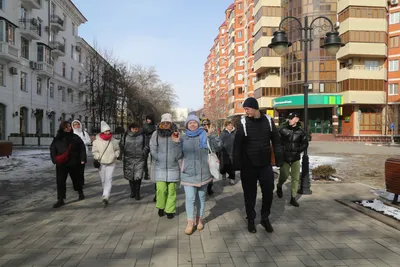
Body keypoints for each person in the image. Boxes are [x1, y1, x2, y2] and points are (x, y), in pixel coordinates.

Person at [232, 97, 283, 234]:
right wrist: (237, 164)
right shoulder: (242, 123)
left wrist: (279, 160)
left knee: (268, 192)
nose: (246, 111)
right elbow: (237, 146)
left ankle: (265, 218)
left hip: (265, 165)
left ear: (255, 108)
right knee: (250, 195)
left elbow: (276, 141)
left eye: (247, 109)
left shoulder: (268, 120)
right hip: (248, 166)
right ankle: (251, 220)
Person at [180, 114, 222, 235]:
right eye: (190, 123)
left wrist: (212, 135)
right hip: (188, 173)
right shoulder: (182, 138)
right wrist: (176, 143)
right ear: (187, 125)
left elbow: (219, 147)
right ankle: (189, 222)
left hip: (203, 172)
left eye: (195, 122)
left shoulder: (205, 136)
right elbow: (177, 156)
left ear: (198, 124)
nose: (192, 124)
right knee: (190, 198)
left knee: (201, 198)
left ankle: (200, 219)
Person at [150, 113, 181, 219]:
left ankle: (170, 210)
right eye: (164, 122)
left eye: (168, 122)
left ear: (171, 123)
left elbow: (180, 152)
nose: (166, 124)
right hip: (160, 166)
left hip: (173, 166)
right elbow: (152, 147)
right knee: (161, 189)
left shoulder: (176, 133)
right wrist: (158, 157)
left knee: (172, 190)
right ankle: (161, 207)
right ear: (161, 123)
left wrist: (177, 143)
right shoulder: (156, 134)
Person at [50, 121, 86, 208]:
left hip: (74, 162)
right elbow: (52, 149)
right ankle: (60, 199)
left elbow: (82, 148)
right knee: (60, 181)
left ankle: (80, 192)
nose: (68, 128)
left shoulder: (75, 137)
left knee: (76, 179)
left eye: (69, 126)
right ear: (62, 128)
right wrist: (54, 159)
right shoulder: (57, 138)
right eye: (66, 127)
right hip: (61, 163)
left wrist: (82, 159)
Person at [277, 112, 308, 207]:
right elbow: (277, 142)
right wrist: (281, 151)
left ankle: (293, 198)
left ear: (297, 119)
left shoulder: (301, 132)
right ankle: (279, 185)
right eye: (289, 118)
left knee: (296, 178)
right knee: (284, 175)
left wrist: (298, 150)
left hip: (295, 158)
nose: (289, 120)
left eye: (291, 118)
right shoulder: (283, 130)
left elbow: (305, 144)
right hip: (285, 157)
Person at [92, 121, 120, 204]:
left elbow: (117, 149)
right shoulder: (96, 141)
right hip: (101, 162)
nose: (108, 132)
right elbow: (94, 151)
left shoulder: (114, 140)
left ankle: (106, 195)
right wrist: (98, 157)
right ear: (102, 131)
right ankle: (105, 193)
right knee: (103, 179)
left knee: (109, 179)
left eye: (109, 131)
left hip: (111, 162)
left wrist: (115, 155)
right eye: (106, 131)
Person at [119, 122, 149, 200]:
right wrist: (122, 153)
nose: (135, 130)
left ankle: (137, 192)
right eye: (133, 128)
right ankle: (132, 191)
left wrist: (144, 152)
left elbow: (146, 145)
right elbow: (121, 144)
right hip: (128, 158)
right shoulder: (125, 135)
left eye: (136, 128)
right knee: (130, 176)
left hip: (139, 159)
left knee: (138, 176)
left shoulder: (142, 135)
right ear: (130, 128)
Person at [72, 120, 91, 186]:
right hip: (73, 154)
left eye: (77, 124)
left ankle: (81, 181)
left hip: (83, 153)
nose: (76, 126)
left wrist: (83, 142)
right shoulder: (71, 133)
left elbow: (89, 141)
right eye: (75, 125)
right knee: (74, 169)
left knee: (81, 169)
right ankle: (75, 182)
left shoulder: (84, 133)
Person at [143, 115, 157, 201]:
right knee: (144, 159)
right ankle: (146, 172)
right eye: (147, 119)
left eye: (149, 119)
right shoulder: (145, 126)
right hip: (146, 144)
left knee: (153, 160)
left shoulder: (155, 127)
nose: (148, 120)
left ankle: (151, 171)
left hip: (152, 145)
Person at [219, 119, 236, 185]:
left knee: (232, 166)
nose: (230, 126)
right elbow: (219, 142)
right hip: (224, 152)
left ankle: (232, 178)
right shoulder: (223, 133)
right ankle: (223, 174)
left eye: (231, 125)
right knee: (224, 165)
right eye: (229, 125)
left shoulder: (235, 133)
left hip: (233, 152)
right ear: (226, 126)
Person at [201, 118, 215, 195]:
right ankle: (204, 186)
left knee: (211, 171)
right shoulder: (200, 133)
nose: (206, 126)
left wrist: (211, 135)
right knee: (204, 172)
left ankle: (210, 186)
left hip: (211, 154)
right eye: (204, 125)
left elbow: (218, 145)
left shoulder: (213, 133)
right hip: (202, 155)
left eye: (207, 124)